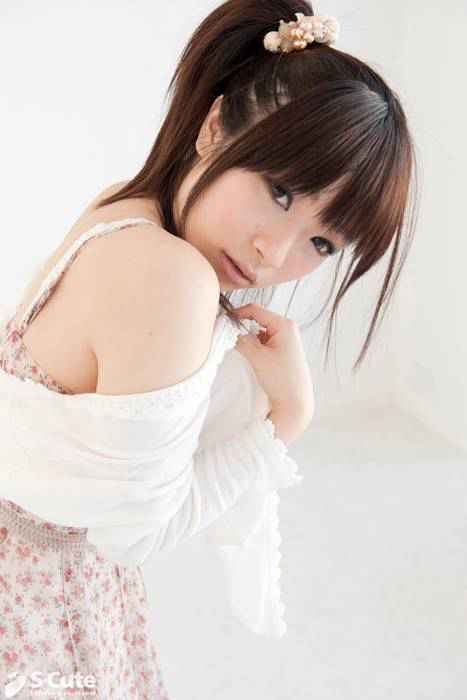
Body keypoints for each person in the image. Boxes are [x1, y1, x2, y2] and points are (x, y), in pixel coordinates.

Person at [0, 0, 417, 697]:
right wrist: (285, 418)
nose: (275, 253)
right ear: (214, 126)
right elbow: (136, 535)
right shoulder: (172, 277)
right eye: (280, 192)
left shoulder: (123, 207)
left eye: (321, 243)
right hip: (43, 604)